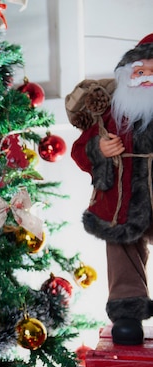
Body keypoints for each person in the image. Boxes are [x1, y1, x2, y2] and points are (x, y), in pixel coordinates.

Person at [70, 33, 153, 345]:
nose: (146, 79)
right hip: (122, 200)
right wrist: (98, 148)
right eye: (140, 71)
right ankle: (127, 309)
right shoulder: (110, 115)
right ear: (126, 74)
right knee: (121, 249)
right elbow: (79, 150)